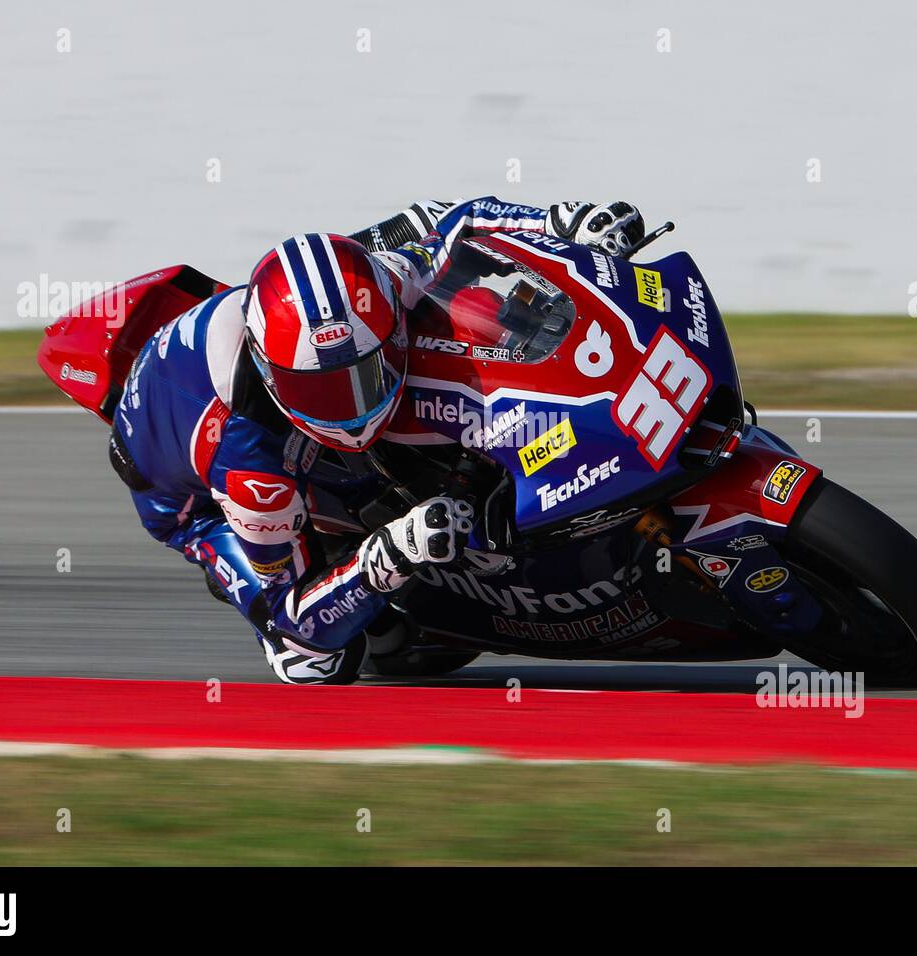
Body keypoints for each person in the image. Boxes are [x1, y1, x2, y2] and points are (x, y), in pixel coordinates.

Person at [109, 198, 645, 683]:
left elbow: (461, 221)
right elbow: (296, 623)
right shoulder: (250, 469)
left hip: (242, 361)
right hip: (192, 501)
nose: (352, 409)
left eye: (366, 375)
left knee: (468, 302)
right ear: (275, 376)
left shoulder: (383, 279)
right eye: (321, 392)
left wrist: (565, 223)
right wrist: (391, 555)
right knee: (315, 661)